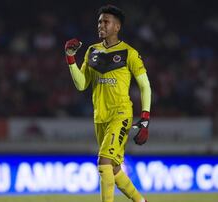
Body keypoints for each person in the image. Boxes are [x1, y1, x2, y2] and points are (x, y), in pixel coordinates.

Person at [64, 5, 151, 202]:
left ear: (117, 27)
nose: (101, 25)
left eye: (106, 22)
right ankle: (141, 201)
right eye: (99, 22)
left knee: (103, 161)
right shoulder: (92, 51)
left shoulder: (130, 53)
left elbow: (145, 86)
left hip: (120, 113)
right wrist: (70, 58)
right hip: (100, 116)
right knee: (114, 168)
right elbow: (81, 84)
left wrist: (145, 119)